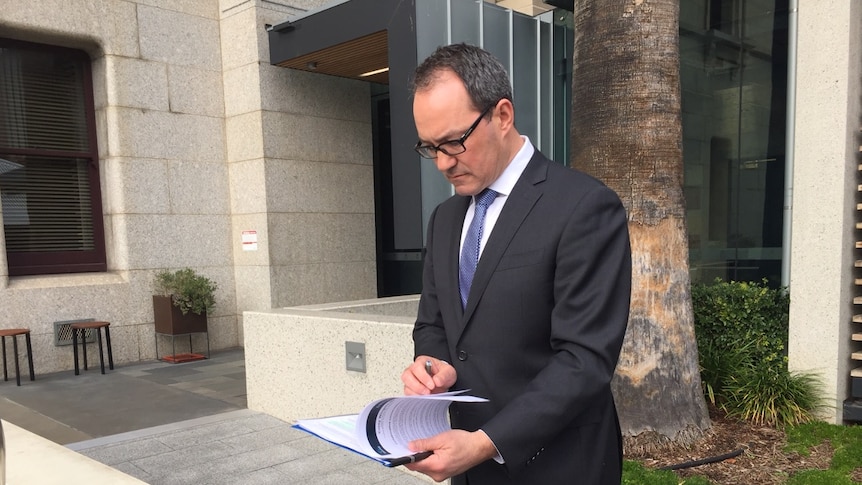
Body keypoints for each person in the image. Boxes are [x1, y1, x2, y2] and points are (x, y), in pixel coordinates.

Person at [400, 43, 632, 484]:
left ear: (502, 115)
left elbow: (584, 359)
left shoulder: (584, 206)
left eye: (454, 142)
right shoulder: (445, 219)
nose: (444, 163)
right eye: (431, 148)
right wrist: (432, 365)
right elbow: (433, 323)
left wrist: (486, 442)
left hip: (562, 463)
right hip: (468, 463)